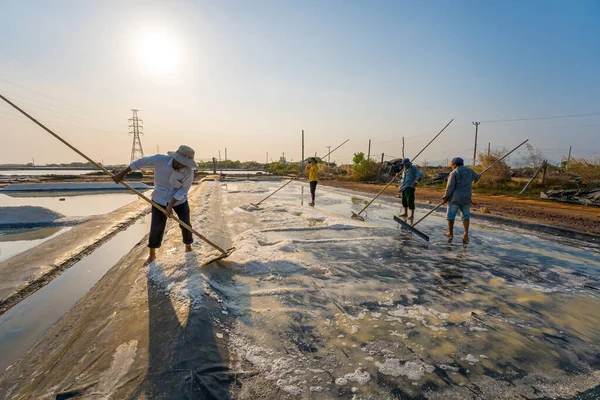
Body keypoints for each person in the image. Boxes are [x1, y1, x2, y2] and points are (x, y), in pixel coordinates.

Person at [113, 145, 198, 264]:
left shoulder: (188, 171)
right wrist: (123, 173)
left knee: (185, 224)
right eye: (183, 162)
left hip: (179, 200)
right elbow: (139, 163)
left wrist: (171, 205)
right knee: (156, 226)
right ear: (177, 160)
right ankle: (152, 254)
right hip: (159, 198)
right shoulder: (159, 160)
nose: (185, 165)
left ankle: (188, 246)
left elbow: (183, 190)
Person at [442, 157, 480, 242]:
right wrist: (478, 176)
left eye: (452, 165)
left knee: (450, 216)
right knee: (466, 215)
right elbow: (477, 178)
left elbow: (450, 187)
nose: (452, 166)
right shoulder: (469, 171)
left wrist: (445, 197)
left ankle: (450, 233)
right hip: (467, 198)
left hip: (455, 198)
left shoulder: (454, 172)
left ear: (455, 165)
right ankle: (466, 232)